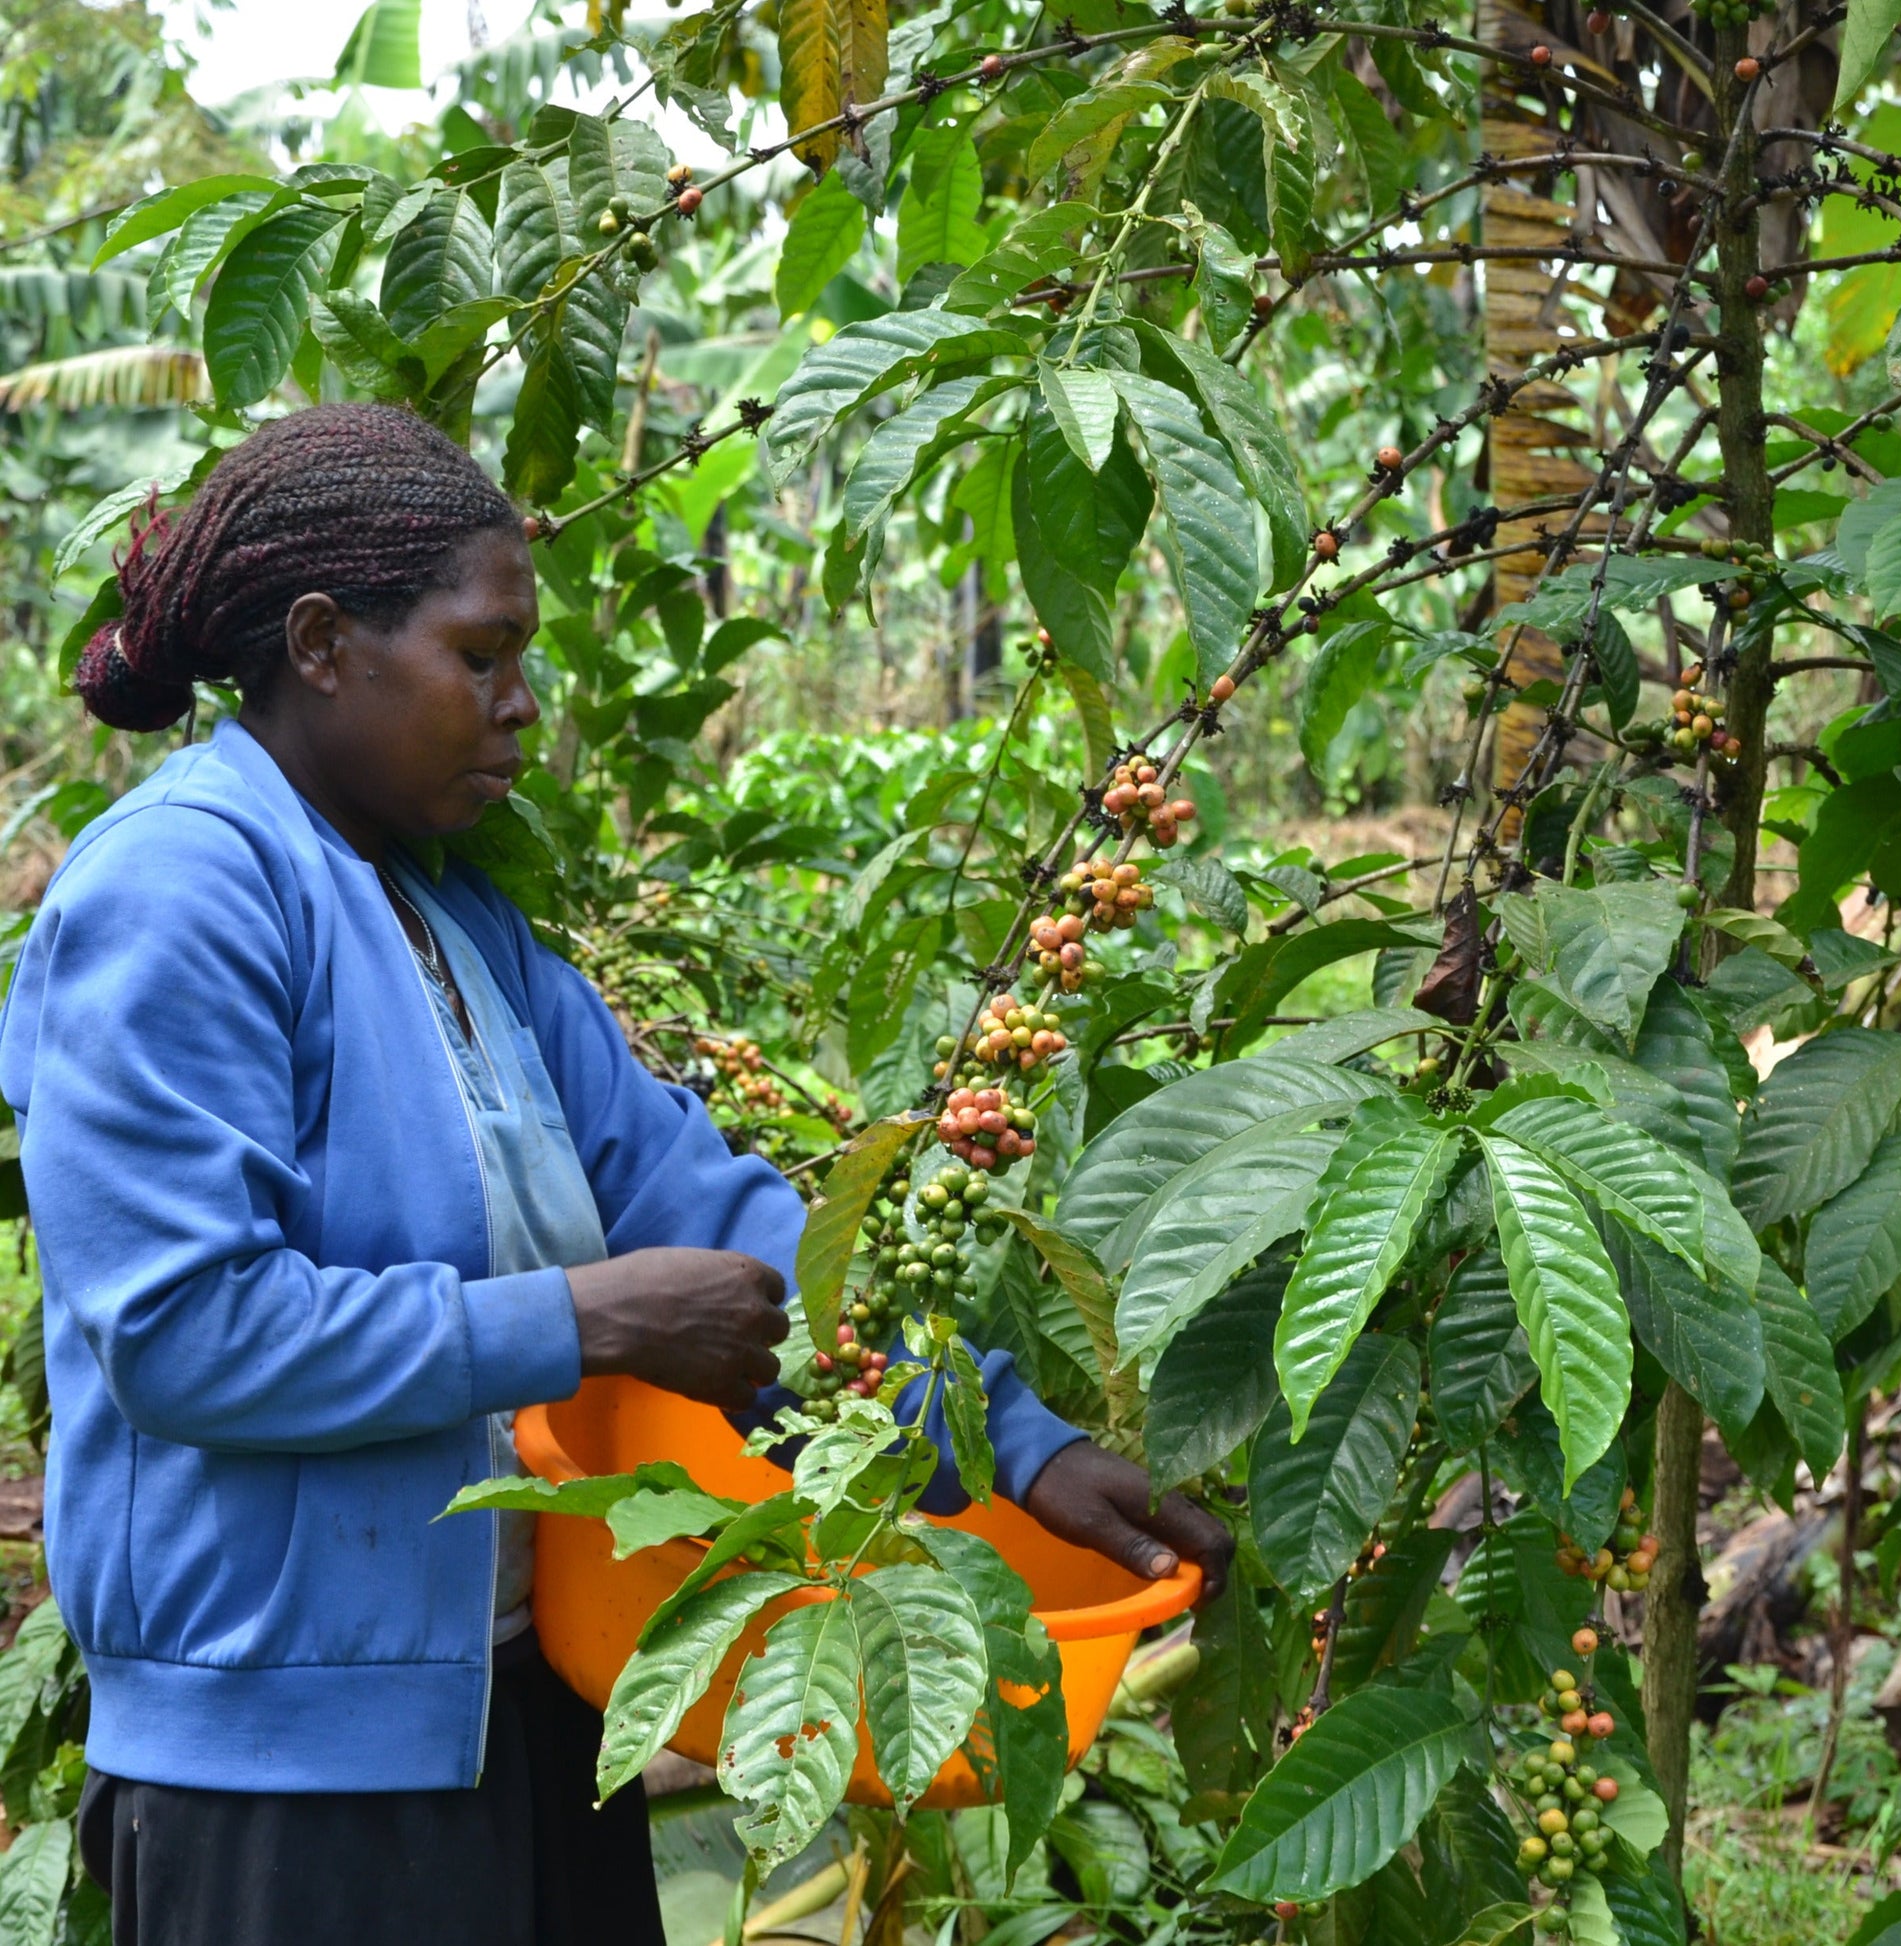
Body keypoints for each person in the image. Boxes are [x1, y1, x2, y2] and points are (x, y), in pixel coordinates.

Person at [0, 404, 1231, 1946]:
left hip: (522, 1707)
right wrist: (582, 1316)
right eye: (482, 655)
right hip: (284, 1788)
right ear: (322, 644)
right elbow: (188, 1331)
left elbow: (711, 1220)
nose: (523, 706)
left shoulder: (461, 927)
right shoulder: (182, 886)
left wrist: (1014, 1441)